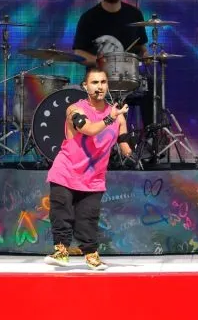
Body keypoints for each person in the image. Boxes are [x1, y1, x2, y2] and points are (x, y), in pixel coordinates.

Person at [43, 68, 134, 270]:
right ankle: (61, 250)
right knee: (62, 210)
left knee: (88, 218)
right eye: (94, 82)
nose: (99, 86)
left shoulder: (118, 117)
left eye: (103, 82)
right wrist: (111, 118)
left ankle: (91, 254)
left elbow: (126, 147)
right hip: (66, 171)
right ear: (85, 86)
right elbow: (89, 129)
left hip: (93, 177)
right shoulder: (75, 110)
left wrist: (130, 145)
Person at [71, 0, 157, 138]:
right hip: (99, 79)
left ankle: (150, 139)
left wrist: (146, 55)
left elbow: (141, 47)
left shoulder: (134, 14)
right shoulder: (89, 18)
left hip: (129, 78)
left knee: (152, 84)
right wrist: (99, 61)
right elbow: (78, 52)